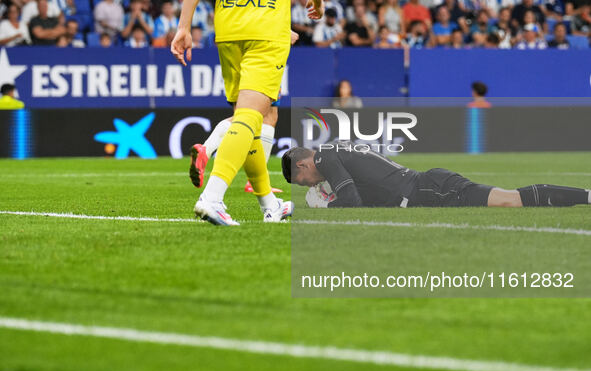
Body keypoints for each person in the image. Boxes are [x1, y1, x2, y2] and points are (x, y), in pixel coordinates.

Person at [170, 0, 322, 225]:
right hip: (266, 27)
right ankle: (211, 197)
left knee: (246, 119)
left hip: (229, 30)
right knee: (251, 116)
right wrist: (318, 4)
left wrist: (183, 27)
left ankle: (270, 205)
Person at [281, 142, 591, 209]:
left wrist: (324, 206)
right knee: (511, 201)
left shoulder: (323, 155)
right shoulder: (335, 150)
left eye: (303, 181)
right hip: (427, 186)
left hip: (431, 190)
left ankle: (587, 197)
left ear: (304, 166)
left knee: (512, 200)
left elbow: (351, 200)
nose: (310, 184)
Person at [188, 31, 300, 194]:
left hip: (234, 44)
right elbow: (265, 10)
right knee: (260, 115)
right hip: (261, 50)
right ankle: (208, 151)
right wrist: (282, 31)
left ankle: (207, 150)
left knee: (255, 114)